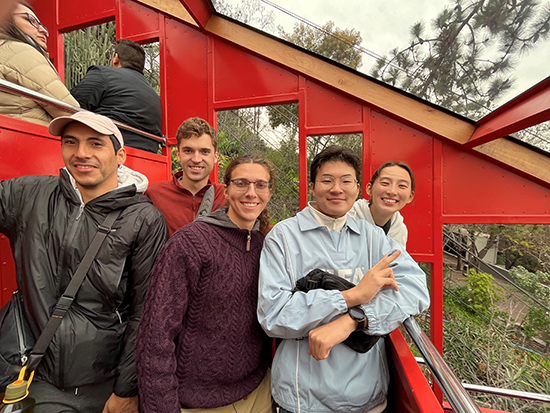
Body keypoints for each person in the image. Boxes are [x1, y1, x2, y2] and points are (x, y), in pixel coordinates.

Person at [0, 111, 167, 413]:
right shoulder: (30, 194)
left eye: (95, 144)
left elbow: (147, 310)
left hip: (104, 384)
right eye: (70, 142)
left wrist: (126, 389)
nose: (81, 153)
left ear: (120, 156)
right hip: (39, 377)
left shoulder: (144, 219)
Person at [257, 146, 430, 413]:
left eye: (346, 181)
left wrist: (355, 319)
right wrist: (350, 296)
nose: (337, 188)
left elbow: (415, 288)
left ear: (359, 188)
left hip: (368, 398)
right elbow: (273, 315)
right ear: (312, 187)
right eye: (327, 180)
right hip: (302, 399)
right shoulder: (283, 238)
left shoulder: (373, 237)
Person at [135, 154, 276, 413]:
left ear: (269, 192)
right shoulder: (191, 243)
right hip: (197, 402)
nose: (251, 193)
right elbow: (156, 334)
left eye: (261, 185)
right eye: (241, 183)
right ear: (226, 188)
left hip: (258, 392)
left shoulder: (266, 245)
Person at [71, 39, 162, 153]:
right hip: (149, 154)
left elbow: (73, 105)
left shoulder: (103, 73)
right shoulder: (154, 95)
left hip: (106, 148)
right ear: (142, 68)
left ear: (116, 58)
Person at [0, 2, 78, 125]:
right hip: (31, 136)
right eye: (31, 20)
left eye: (42, 25)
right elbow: (69, 111)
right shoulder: (19, 50)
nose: (42, 30)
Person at [145, 117, 226, 236]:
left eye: (204, 152)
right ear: (178, 155)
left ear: (215, 157)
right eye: (188, 151)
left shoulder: (226, 195)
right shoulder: (154, 195)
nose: (196, 159)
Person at [350, 161, 415, 249]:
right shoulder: (346, 218)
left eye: (402, 186)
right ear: (369, 188)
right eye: (385, 183)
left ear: (410, 197)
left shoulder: (399, 230)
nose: (392, 191)